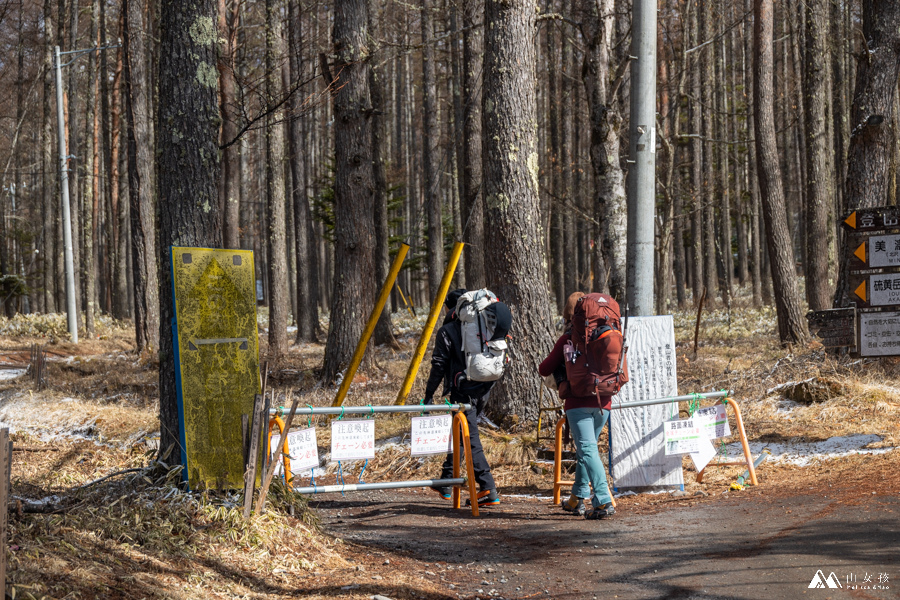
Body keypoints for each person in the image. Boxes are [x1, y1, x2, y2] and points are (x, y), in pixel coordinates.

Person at [423, 288, 511, 507]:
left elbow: (439, 365)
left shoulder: (448, 330)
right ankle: (446, 481)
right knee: (462, 431)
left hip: (462, 390)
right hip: (485, 386)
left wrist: (428, 395)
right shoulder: (483, 327)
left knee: (471, 438)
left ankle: (488, 488)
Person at [539, 291, 616, 520]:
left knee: (588, 450)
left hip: (578, 404)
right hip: (605, 402)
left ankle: (602, 500)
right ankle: (576, 499)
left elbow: (544, 369)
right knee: (587, 450)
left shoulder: (569, 338)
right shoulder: (607, 334)